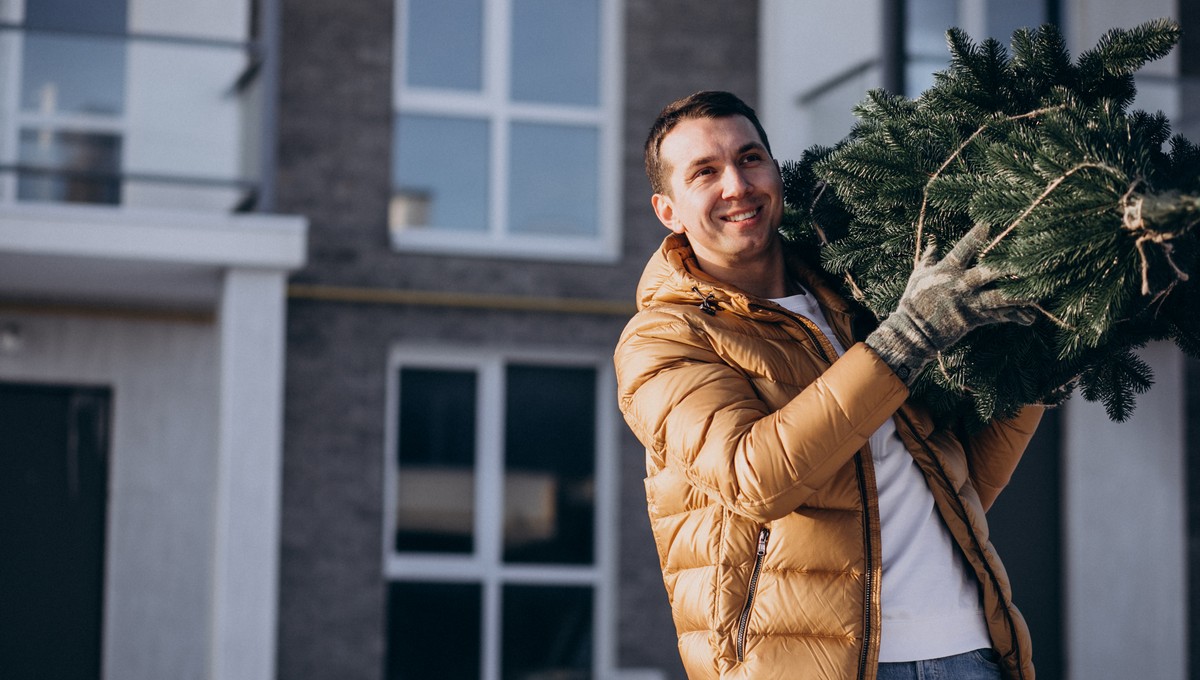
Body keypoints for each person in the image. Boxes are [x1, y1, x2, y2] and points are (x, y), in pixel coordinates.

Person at [613, 90, 1044, 680]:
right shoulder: (663, 338)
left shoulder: (855, 294)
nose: (737, 186)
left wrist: (1038, 376)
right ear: (668, 211)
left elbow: (955, 483)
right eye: (705, 172)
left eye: (750, 158)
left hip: (969, 649)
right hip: (808, 664)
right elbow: (755, 478)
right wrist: (911, 334)